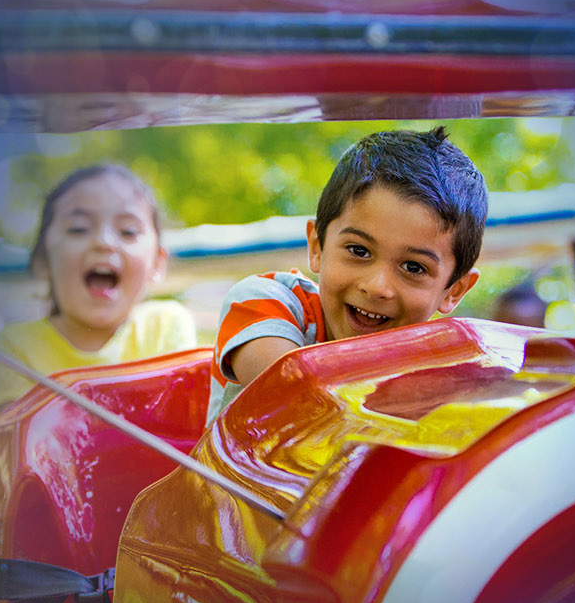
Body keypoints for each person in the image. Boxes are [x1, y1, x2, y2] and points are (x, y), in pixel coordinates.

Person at [207, 126, 487, 424]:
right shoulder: (264, 302)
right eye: (359, 250)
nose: (377, 287)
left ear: (453, 291)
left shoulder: (438, 359)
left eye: (413, 267)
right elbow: (297, 409)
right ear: (317, 246)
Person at [0, 163, 196, 417]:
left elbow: (186, 424)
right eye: (79, 229)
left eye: (128, 231)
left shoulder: (165, 326)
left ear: (157, 263)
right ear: (42, 260)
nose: (104, 242)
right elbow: (16, 446)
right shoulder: (15, 346)